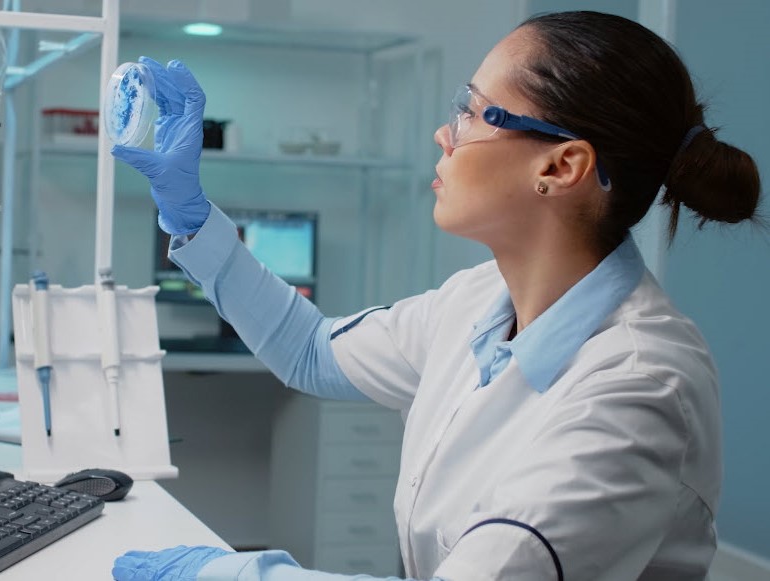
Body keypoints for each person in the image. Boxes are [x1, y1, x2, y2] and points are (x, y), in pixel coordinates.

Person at [109, 10, 762, 581]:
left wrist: (229, 572)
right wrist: (188, 212)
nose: (444, 135)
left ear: (561, 166)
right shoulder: (478, 301)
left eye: (473, 113)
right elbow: (309, 350)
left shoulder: (639, 385)